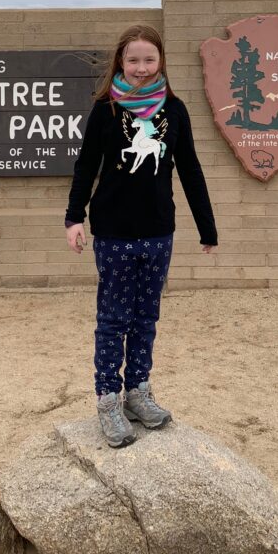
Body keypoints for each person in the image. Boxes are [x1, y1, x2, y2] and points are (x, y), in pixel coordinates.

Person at [65, 24, 217, 448]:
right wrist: (73, 218)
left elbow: (190, 170)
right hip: (113, 232)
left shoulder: (175, 110)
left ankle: (138, 392)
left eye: (149, 60)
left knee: (146, 318)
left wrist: (208, 227)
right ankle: (108, 401)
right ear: (120, 62)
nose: (141, 68)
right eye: (133, 60)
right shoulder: (105, 111)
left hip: (157, 232)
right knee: (114, 320)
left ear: (161, 62)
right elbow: (84, 168)